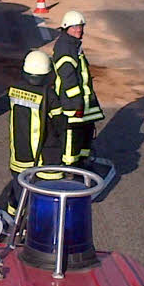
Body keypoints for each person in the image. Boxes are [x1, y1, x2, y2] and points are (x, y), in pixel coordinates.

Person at [0, 50, 53, 216]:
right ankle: (33, 225)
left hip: (18, 155)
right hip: (40, 158)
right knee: (40, 194)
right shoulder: (48, 95)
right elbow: (59, 125)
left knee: (18, 190)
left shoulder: (13, 90)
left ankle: (14, 222)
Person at [47, 10, 104, 170]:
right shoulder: (65, 47)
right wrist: (76, 103)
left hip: (82, 102)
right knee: (73, 137)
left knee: (85, 132)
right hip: (73, 104)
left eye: (80, 27)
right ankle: (70, 170)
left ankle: (81, 162)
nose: (78, 30)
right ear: (66, 28)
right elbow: (68, 78)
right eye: (74, 27)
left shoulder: (73, 44)